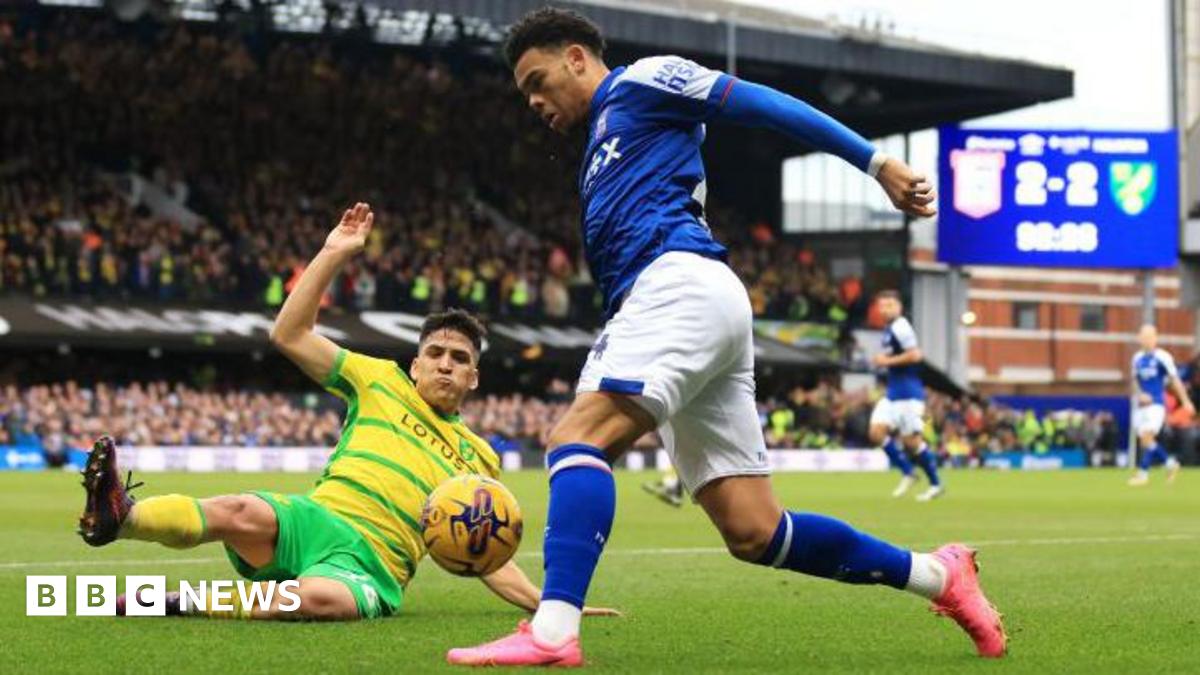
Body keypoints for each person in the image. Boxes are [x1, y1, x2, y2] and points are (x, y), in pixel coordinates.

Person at [447, 7, 1005, 666]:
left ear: (576, 56)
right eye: (526, 95)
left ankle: (551, 631)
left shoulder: (642, 82)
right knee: (754, 529)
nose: (535, 101)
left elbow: (762, 104)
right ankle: (940, 575)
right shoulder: (606, 139)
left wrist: (875, 160)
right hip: (685, 301)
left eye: (538, 81)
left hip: (677, 285)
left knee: (575, 438)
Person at [77, 203, 616, 621]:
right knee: (239, 509)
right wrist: (334, 252)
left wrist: (550, 604)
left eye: (460, 360)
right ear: (415, 365)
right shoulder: (377, 378)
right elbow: (288, 334)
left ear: (474, 377)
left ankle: (173, 600)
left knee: (318, 600)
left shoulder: (479, 459)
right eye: (435, 355)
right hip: (313, 519)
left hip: (370, 563)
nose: (446, 366)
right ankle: (121, 517)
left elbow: (485, 553)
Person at [867, 290, 944, 501]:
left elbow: (916, 354)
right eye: (882, 305)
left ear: (899, 307)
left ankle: (936, 484)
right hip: (893, 393)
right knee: (876, 432)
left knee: (912, 441)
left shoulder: (901, 326)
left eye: (890, 304)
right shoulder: (888, 328)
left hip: (909, 395)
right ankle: (908, 472)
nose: (885, 309)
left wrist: (886, 361)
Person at [1128, 323, 1194, 486]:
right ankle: (1171, 464)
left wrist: (1185, 401)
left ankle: (1143, 475)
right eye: (1143, 336)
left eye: (1150, 336)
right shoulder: (1136, 358)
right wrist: (1140, 394)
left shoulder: (1162, 357)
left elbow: (1175, 380)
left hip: (1156, 404)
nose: (1146, 340)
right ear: (1139, 338)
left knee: (1147, 436)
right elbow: (1134, 381)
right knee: (1145, 441)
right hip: (1141, 406)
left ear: (1156, 338)